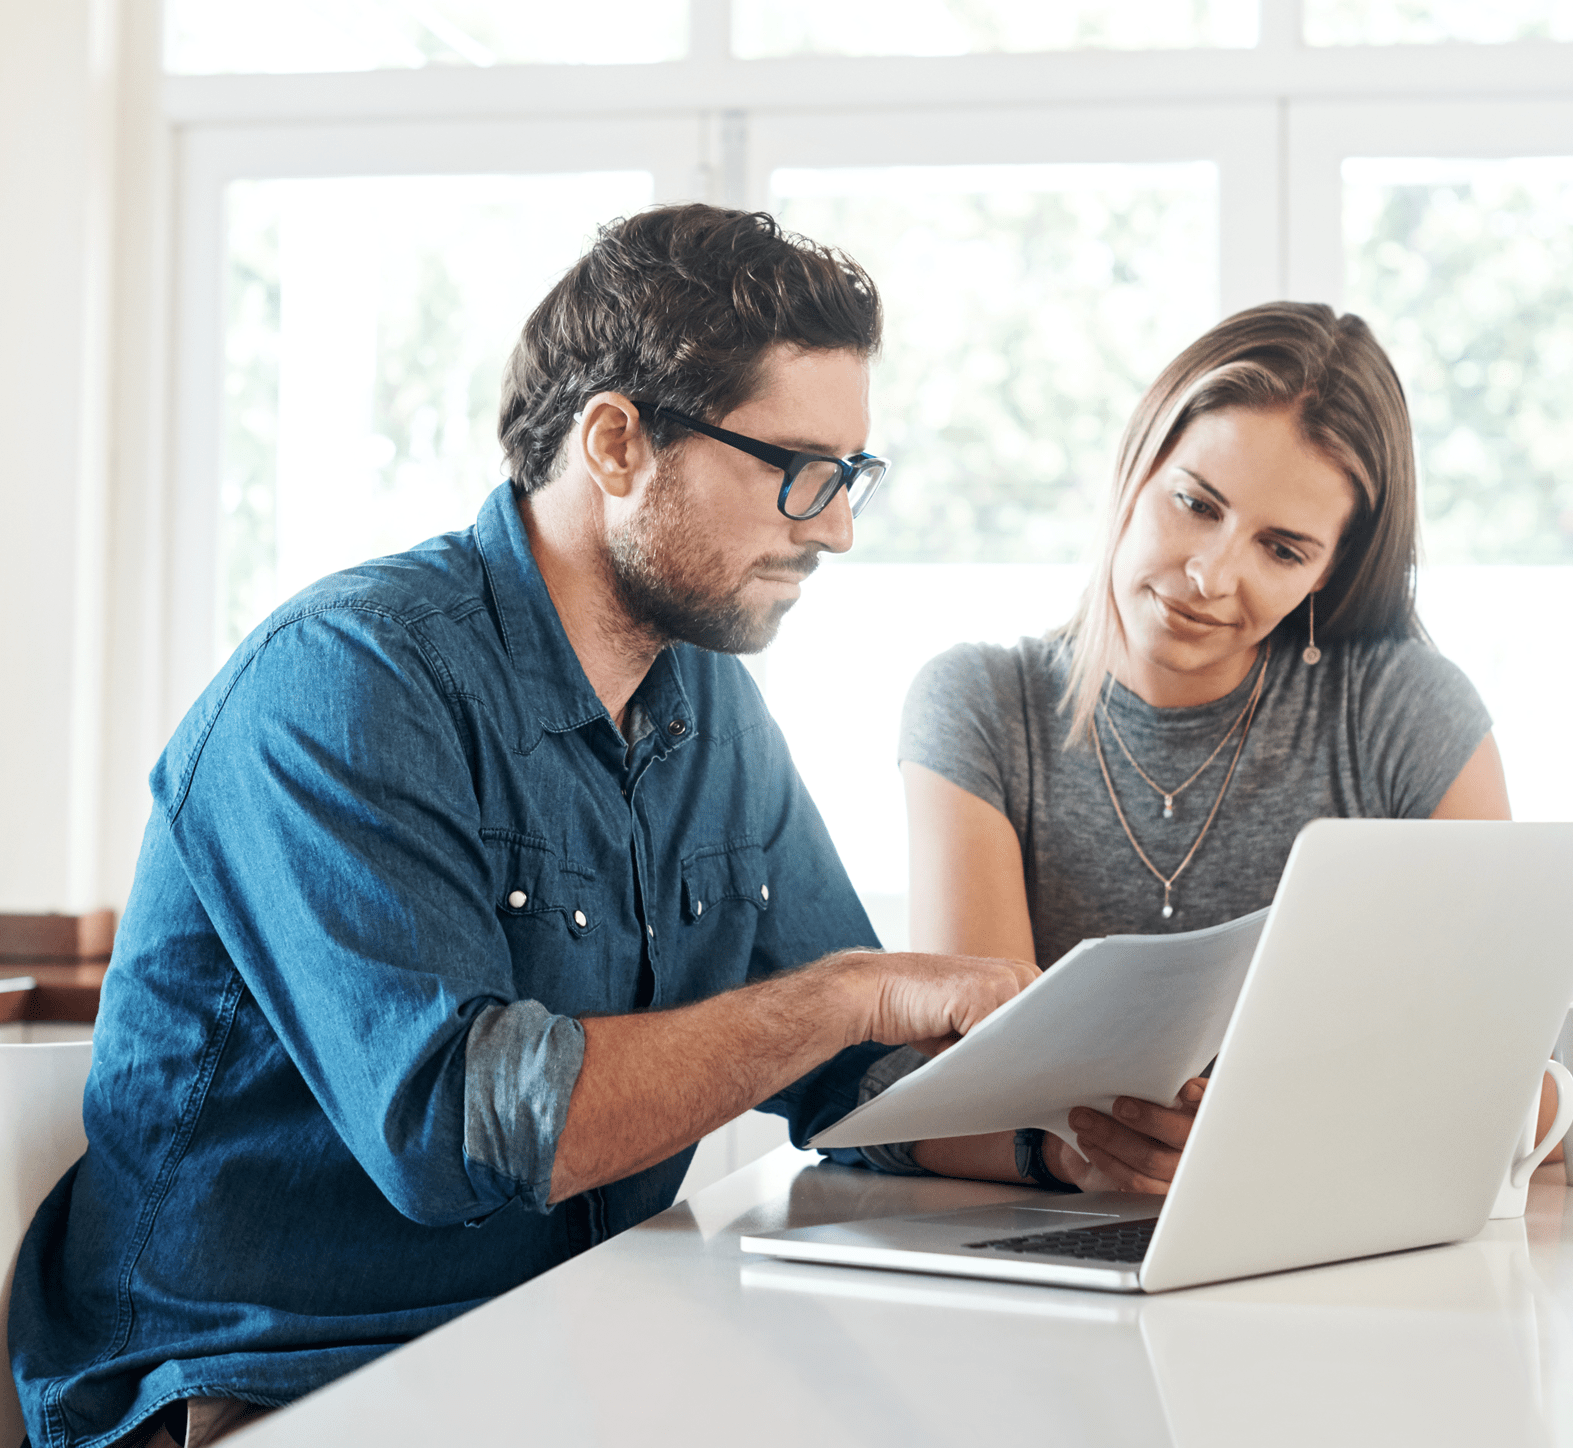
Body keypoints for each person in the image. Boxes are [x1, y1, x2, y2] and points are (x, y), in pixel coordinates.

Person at [12, 206, 1065, 1448]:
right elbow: (461, 1132)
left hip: (561, 1350)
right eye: (797, 469)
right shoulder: (346, 678)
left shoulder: (707, 700)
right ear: (616, 440)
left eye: (851, 476)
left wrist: (1068, 1149)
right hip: (271, 1384)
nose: (833, 525)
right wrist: (848, 995)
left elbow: (849, 1074)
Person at [897, 302, 1514, 1194]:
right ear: (1136, 463)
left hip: (1327, 1228)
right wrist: (1092, 1157)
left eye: (1283, 548)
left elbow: (1510, 1075)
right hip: (1063, 1245)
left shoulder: (1402, 710)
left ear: (1329, 571)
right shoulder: (982, 706)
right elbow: (978, 1084)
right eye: (1195, 503)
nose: (1211, 576)